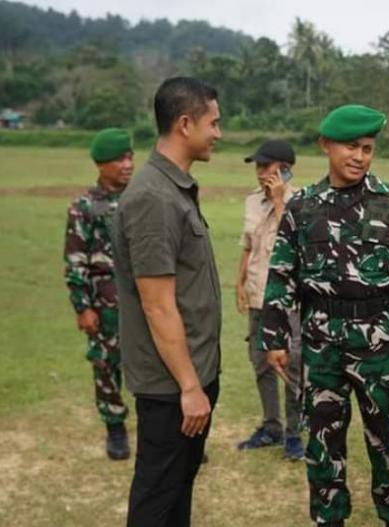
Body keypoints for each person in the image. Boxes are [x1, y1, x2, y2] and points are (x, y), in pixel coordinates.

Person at [258, 104, 389, 527]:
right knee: (323, 445)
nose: (359, 156)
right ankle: (329, 518)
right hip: (321, 344)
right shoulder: (301, 206)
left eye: (367, 148)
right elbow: (281, 273)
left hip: (381, 340)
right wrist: (275, 338)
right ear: (325, 145)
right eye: (350, 147)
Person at [112, 77, 223, 527]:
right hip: (172, 387)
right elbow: (157, 306)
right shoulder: (153, 198)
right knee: (157, 498)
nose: (218, 133)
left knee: (177, 488)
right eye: (213, 123)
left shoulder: (172, 187)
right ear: (184, 124)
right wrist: (190, 387)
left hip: (190, 375)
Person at [64, 127, 134, 460]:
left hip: (145, 297)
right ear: (101, 164)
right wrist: (83, 307)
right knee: (106, 363)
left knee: (160, 363)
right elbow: (75, 260)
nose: (127, 164)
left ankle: (162, 432)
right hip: (105, 297)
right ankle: (115, 427)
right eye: (119, 158)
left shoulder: (142, 198)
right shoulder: (84, 207)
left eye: (130, 156)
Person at [235, 139, 304, 460]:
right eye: (258, 166)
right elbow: (248, 246)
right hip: (257, 295)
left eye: (266, 166)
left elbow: (297, 246)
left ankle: (293, 434)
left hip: (287, 301)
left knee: (291, 365)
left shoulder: (300, 203)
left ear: (285, 169)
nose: (260, 172)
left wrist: (279, 201)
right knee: (261, 363)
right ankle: (271, 426)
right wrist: (239, 284)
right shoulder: (251, 201)